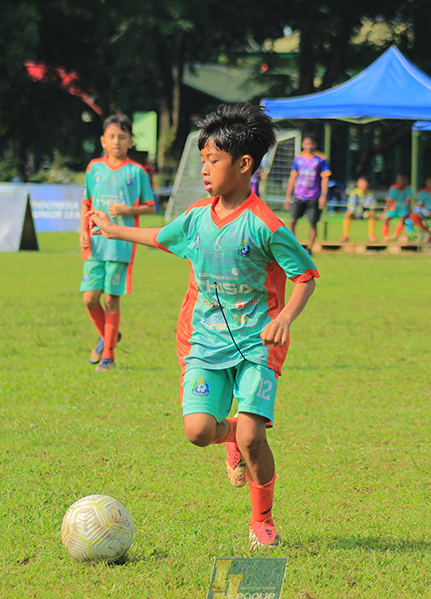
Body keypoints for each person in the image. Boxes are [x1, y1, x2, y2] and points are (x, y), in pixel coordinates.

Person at [88, 103, 318, 550]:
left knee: (254, 439)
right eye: (203, 161)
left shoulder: (265, 225)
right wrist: (114, 231)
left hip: (257, 343)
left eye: (213, 161)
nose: (205, 170)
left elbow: (305, 276)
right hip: (204, 340)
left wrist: (285, 318)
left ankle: (262, 520)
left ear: (244, 164)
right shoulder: (196, 217)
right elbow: (160, 238)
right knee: (198, 432)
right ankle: (228, 435)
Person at [79, 114, 156, 372]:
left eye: (122, 137)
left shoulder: (137, 171)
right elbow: (86, 202)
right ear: (103, 140)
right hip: (96, 244)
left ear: (130, 141)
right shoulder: (94, 168)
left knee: (112, 299)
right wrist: (83, 231)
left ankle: (108, 356)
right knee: (90, 299)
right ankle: (108, 334)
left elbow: (150, 207)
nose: (117, 142)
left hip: (121, 243)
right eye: (112, 137)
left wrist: (127, 211)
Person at [284, 135, 330, 251]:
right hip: (298, 195)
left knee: (313, 223)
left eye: (311, 144)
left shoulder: (321, 159)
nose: (309, 146)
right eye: (306, 144)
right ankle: (295, 246)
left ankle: (309, 248)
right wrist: (288, 196)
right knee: (293, 220)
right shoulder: (298, 159)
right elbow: (292, 178)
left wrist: (323, 196)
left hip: (313, 196)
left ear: (315, 145)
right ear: (303, 145)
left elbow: (325, 178)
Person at [408, 175, 431, 244]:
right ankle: (426, 232)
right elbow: (420, 205)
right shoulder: (423, 192)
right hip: (425, 211)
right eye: (430, 182)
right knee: (413, 216)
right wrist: (424, 211)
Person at [339, 176, 377, 242]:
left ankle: (372, 236)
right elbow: (351, 206)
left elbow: (372, 206)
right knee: (348, 215)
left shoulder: (370, 195)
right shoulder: (354, 193)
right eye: (362, 183)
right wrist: (352, 212)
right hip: (355, 213)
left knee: (372, 215)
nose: (364, 184)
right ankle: (346, 235)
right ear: (358, 184)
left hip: (365, 213)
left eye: (365, 183)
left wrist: (371, 211)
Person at [383, 173, 413, 240]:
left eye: (403, 180)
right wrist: (385, 210)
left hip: (404, 208)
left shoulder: (409, 189)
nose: (401, 181)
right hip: (394, 208)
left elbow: (408, 202)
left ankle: (396, 235)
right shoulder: (393, 188)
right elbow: (389, 201)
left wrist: (410, 211)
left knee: (403, 218)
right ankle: (385, 236)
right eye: (399, 179)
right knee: (385, 219)